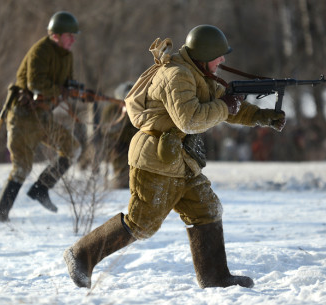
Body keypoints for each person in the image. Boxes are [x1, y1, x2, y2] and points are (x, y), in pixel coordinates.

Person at [64, 25, 286, 289]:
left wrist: (261, 116)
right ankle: (80, 254)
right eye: (219, 55)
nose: (223, 60)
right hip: (155, 160)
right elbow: (190, 119)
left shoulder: (198, 73)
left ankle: (215, 277)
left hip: (180, 159)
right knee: (142, 223)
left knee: (206, 209)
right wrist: (226, 106)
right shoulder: (177, 76)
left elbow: (224, 107)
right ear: (204, 55)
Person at [0, 11, 81, 222]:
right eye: (70, 35)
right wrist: (62, 91)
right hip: (22, 116)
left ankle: (41, 187)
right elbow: (36, 85)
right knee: (22, 167)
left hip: (43, 116)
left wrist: (77, 92)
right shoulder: (40, 51)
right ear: (56, 35)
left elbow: (67, 83)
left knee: (73, 148)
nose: (73, 40)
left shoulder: (67, 56)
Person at [97, 82, 138, 188]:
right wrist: (124, 117)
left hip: (134, 145)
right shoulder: (111, 110)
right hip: (118, 147)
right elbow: (108, 130)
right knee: (123, 181)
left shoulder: (138, 108)